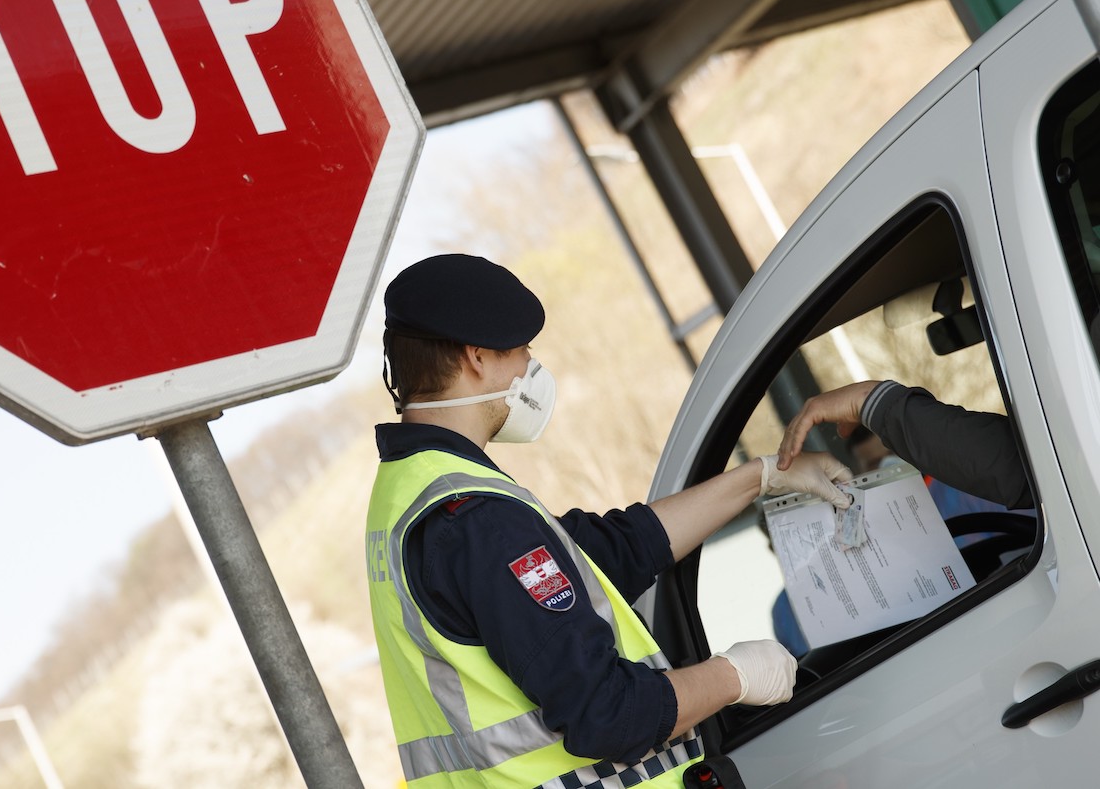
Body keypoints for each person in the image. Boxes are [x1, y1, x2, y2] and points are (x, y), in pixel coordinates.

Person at [364, 254, 854, 789]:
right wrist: (733, 676)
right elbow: (606, 714)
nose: (531, 366)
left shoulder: (413, 492)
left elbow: (612, 552)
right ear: (477, 357)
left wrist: (762, 477)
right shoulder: (478, 519)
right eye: (522, 350)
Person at [776, 379, 1031, 511]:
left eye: (896, 448)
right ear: (862, 471)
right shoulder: (883, 523)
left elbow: (1013, 466)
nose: (894, 462)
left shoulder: (967, 486)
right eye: (876, 463)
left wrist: (872, 402)